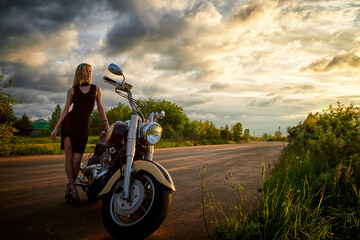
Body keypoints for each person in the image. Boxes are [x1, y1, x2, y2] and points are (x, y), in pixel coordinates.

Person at [51, 63, 109, 206]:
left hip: (83, 127)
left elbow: (100, 107)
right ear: (79, 73)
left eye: (90, 71)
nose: (89, 73)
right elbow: (65, 110)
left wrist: (106, 123)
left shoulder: (96, 89)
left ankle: (70, 186)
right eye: (86, 71)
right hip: (69, 125)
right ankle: (74, 190)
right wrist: (55, 128)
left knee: (77, 160)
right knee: (69, 158)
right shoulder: (72, 91)